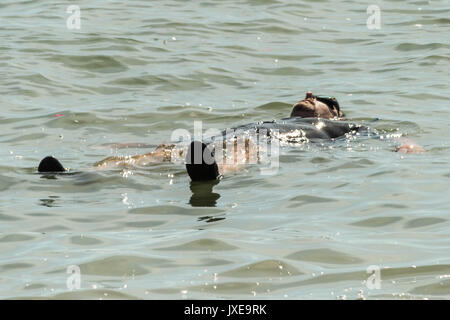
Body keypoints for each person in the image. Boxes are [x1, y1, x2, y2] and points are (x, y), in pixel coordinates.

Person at [37, 92, 424, 181]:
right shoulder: (265, 117)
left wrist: (407, 146)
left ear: (335, 112)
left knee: (242, 148)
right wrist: (135, 145)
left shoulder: (343, 127)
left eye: (318, 97)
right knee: (161, 152)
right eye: (305, 94)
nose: (307, 96)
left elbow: (389, 138)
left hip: (263, 145)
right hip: (208, 143)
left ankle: (211, 174)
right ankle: (78, 175)